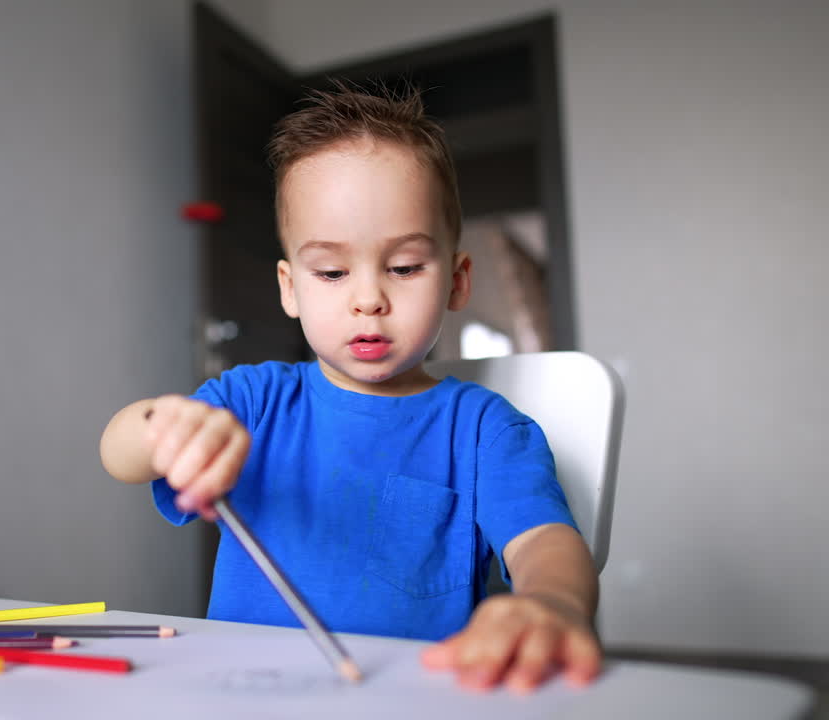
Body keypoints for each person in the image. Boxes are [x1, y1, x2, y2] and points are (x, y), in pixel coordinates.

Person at [100, 84, 600, 692]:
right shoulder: (253, 402)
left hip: (415, 699)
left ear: (457, 281)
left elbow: (544, 542)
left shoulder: (486, 430)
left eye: (405, 267)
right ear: (290, 287)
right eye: (332, 272)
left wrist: (552, 602)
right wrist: (164, 428)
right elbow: (119, 453)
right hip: (243, 697)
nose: (368, 299)